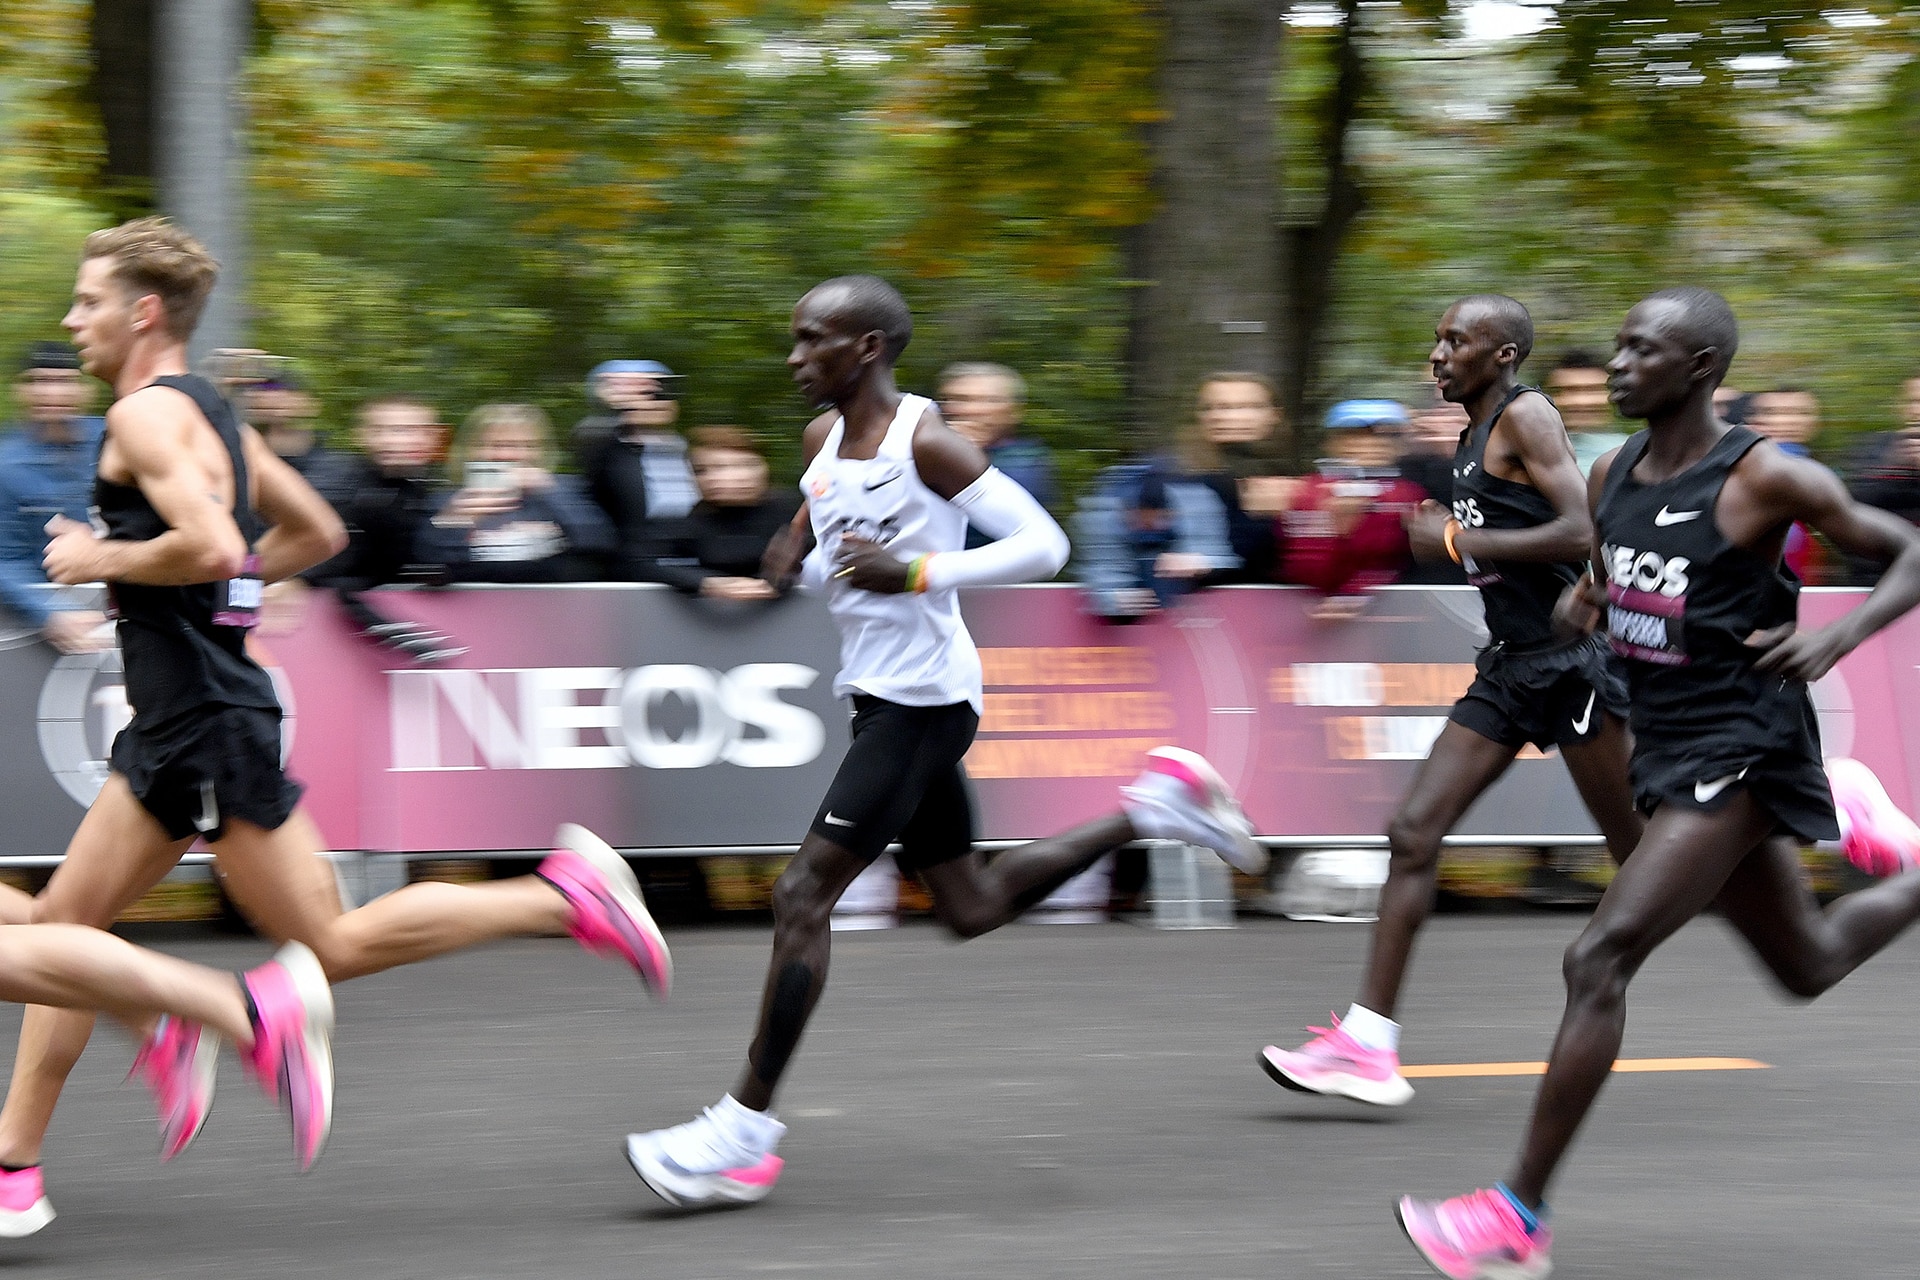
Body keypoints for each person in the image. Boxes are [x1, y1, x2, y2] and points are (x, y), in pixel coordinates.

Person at [5, 216, 673, 1234]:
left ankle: (557, 896)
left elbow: (212, 539)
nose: (72, 319)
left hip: (199, 719)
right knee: (63, 930)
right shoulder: (220, 417)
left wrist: (105, 562)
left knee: (313, 939)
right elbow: (313, 532)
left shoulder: (141, 417)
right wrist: (207, 590)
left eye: (87, 301)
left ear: (143, 311)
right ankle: (27, 1149)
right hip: (190, 710)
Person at [622, 275, 1265, 1210]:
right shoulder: (820, 443)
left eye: (814, 342)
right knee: (968, 904)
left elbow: (1044, 547)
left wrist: (918, 571)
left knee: (804, 893)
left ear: (870, 348)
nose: (796, 359)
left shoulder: (930, 438)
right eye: (794, 342)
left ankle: (740, 1134)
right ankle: (1151, 808)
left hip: (922, 700)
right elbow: (826, 550)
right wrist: (789, 558)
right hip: (880, 694)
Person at [1397, 287, 1920, 1280]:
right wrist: (1589, 602)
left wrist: (1837, 634)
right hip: (1668, 742)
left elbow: (1909, 553)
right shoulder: (1616, 466)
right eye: (1624, 345)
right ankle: (1870, 827)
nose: (1622, 363)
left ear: (1700, 371)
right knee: (1804, 963)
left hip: (1744, 746)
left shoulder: (1761, 472)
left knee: (1599, 956)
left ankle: (1516, 1218)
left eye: (1646, 350)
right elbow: (1608, 563)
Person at [1261, 295, 1640, 1105]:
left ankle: (1809, 817)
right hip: (1511, 668)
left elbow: (1581, 531)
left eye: (1456, 341)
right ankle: (1368, 1045)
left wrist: (1458, 541)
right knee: (1413, 831)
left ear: (1503, 355)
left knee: (1645, 855)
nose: (1437, 354)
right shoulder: (1470, 438)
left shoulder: (1526, 416)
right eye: (1436, 339)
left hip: (1574, 665)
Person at [419, 403, 615, 583]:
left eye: (526, 445)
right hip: (472, 611)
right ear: (473, 450)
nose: (511, 455)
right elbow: (429, 564)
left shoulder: (567, 490)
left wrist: (553, 492)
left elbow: (599, 545)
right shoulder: (446, 500)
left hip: (556, 609)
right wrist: (455, 520)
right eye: (497, 445)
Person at [0, 343, 110, 653]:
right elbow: (5, 559)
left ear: (84, 390)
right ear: (21, 390)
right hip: (44, 627)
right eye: (40, 381)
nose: (52, 394)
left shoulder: (113, 441)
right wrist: (49, 611)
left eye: (63, 381)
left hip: (130, 605)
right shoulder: (6, 465)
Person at [1275, 399, 1426, 618]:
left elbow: (1405, 562)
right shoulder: (1309, 491)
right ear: (1333, 442)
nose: (1370, 443)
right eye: (1356, 434)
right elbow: (1301, 565)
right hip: (1312, 616)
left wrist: (1357, 594)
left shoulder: (1409, 495)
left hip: (1388, 618)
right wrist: (1339, 528)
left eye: (1384, 435)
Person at [640, 426, 800, 600]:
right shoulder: (691, 520)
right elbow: (641, 562)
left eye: (730, 466)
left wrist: (776, 581)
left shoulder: (792, 514)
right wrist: (708, 583)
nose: (712, 478)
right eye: (701, 470)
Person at [578, 359, 700, 580]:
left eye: (661, 392)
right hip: (632, 575)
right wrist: (616, 412)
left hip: (692, 569)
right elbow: (592, 443)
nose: (653, 401)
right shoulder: (607, 451)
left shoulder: (690, 452)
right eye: (640, 393)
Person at [938, 362, 1056, 548]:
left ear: (1014, 412)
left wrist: (961, 453)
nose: (971, 410)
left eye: (989, 400)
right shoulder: (915, 451)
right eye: (959, 399)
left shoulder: (1026, 460)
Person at [1544, 350, 1626, 477]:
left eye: (1593, 390)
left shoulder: (1634, 453)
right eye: (1569, 391)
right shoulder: (1532, 454)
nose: (1581, 401)